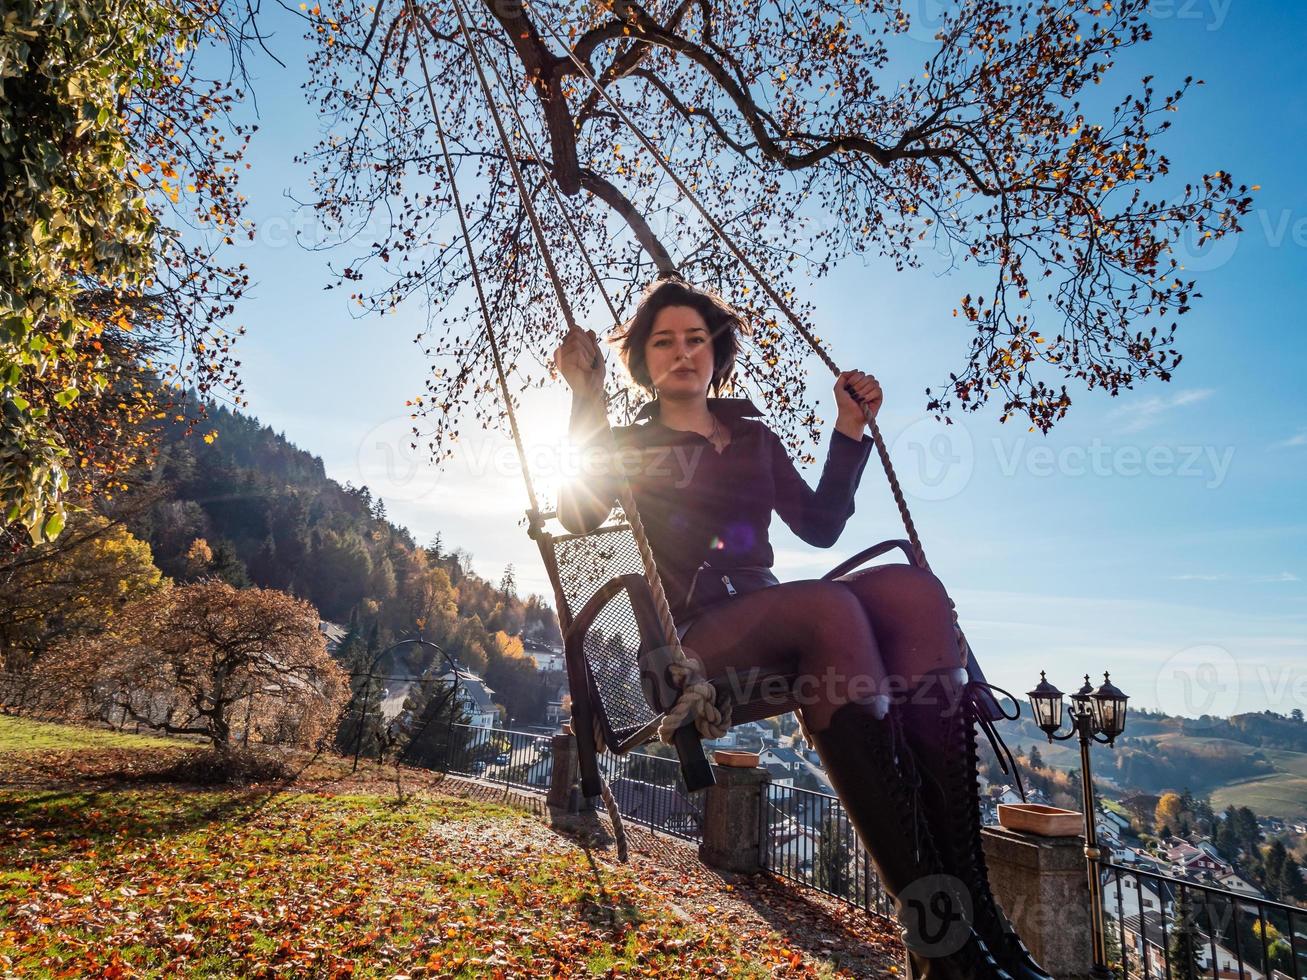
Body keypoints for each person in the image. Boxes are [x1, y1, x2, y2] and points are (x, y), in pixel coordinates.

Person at [553, 277, 1049, 980]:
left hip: (776, 614)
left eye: (695, 337)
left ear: (715, 350)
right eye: (662, 341)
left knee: (913, 593)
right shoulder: (629, 444)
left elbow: (818, 526)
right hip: (686, 640)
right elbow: (577, 519)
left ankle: (975, 926)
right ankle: (944, 945)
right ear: (641, 359)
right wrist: (582, 398)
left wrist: (847, 431)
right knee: (829, 607)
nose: (682, 352)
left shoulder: (751, 433)